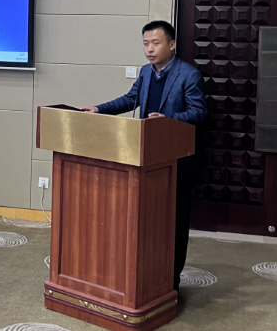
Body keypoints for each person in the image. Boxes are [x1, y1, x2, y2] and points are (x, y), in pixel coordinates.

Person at [80, 20, 208, 292]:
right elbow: (130, 99)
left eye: (155, 43)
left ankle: (171, 284)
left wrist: (167, 119)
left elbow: (198, 113)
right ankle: (149, 278)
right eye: (145, 44)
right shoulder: (146, 72)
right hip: (148, 159)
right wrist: (99, 109)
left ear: (171, 45)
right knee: (149, 222)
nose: (149, 49)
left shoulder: (189, 75)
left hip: (178, 162)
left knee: (174, 223)